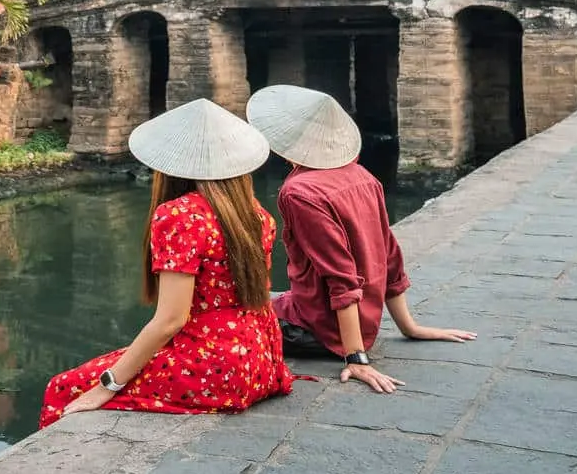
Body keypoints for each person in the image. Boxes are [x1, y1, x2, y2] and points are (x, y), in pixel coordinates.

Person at [40, 98, 293, 426]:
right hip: (262, 360)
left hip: (213, 366)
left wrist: (108, 386)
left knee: (63, 388)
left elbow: (171, 320)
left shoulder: (180, 216)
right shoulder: (255, 213)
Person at [248, 84, 477, 394]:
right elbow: (389, 254)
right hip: (352, 319)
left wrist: (356, 358)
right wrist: (409, 327)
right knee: (270, 301)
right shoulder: (363, 177)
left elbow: (340, 276)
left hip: (318, 329)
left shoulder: (299, 192)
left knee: (220, 323)